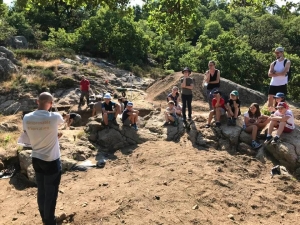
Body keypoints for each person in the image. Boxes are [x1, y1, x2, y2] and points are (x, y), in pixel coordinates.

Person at [22, 92, 64, 225]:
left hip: (36, 159)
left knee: (42, 190)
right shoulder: (54, 117)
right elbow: (62, 123)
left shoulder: (26, 118)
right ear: (50, 104)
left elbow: (32, 135)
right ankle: (50, 221)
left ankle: (44, 217)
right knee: (51, 193)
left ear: (37, 101)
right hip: (51, 160)